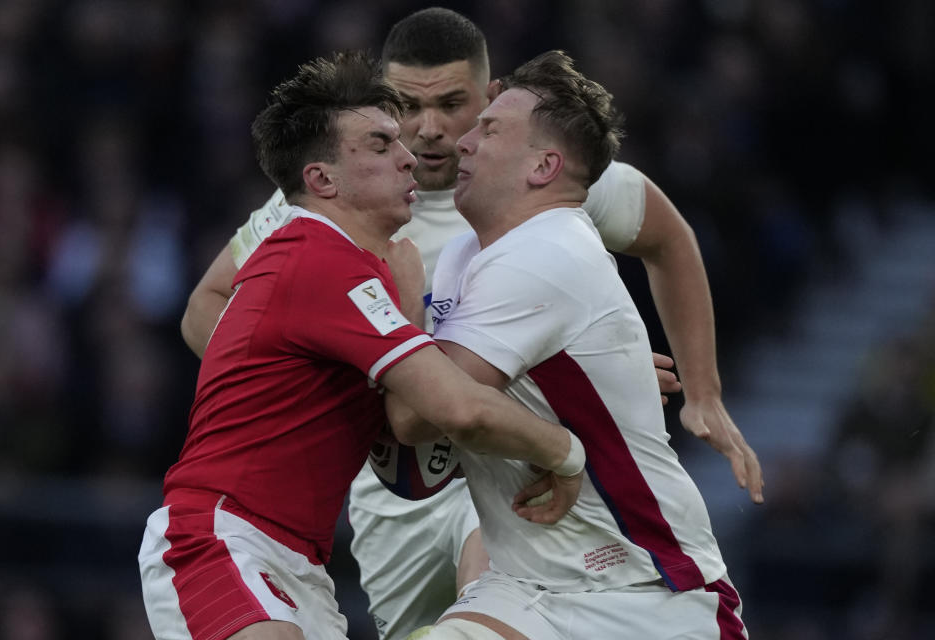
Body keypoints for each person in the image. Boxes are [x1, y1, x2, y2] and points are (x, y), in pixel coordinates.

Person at [178, 8, 762, 638]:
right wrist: (348, 380)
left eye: (456, 107)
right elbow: (209, 308)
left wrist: (701, 391)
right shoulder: (328, 203)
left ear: (489, 98)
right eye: (405, 108)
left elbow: (670, 239)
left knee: (491, 560)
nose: (431, 131)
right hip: (398, 480)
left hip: (500, 467)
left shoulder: (550, 185)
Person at [137, 50, 588, 640]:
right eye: (380, 146)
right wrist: (566, 449)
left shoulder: (350, 267)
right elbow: (456, 405)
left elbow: (413, 412)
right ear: (323, 180)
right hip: (220, 534)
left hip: (300, 563)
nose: (410, 159)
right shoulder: (314, 255)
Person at [390, 49, 747, 640]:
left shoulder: (543, 254)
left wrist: (399, 313)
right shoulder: (466, 252)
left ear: (543, 166)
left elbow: (420, 411)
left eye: (489, 128)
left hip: (644, 595)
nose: (464, 141)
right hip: (527, 588)